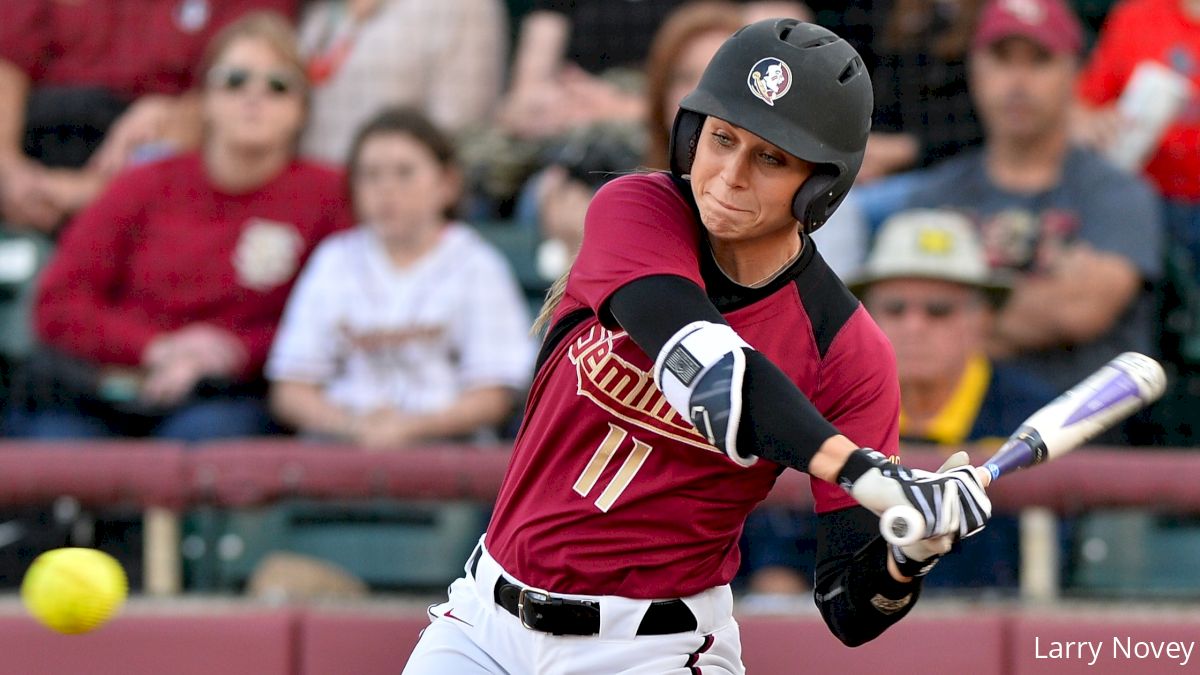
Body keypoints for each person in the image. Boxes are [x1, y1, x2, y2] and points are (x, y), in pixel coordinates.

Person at [403, 20, 992, 673]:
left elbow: (848, 607)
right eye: (721, 138)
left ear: (820, 186)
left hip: (652, 650)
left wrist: (908, 550)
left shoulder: (847, 349)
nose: (730, 175)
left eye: (771, 158)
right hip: (482, 622)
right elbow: (710, 374)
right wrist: (861, 469)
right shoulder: (638, 209)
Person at [9, 12, 352, 441]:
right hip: (114, 385)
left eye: (278, 85)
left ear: (302, 108)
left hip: (235, 392)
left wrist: (234, 352)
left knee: (208, 444)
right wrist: (156, 347)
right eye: (235, 80)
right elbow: (60, 303)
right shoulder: (144, 184)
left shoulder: (329, 195)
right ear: (203, 99)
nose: (254, 97)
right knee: (57, 446)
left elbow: (344, 312)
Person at [901, 0, 1163, 398]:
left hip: (1082, 433)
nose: (1018, 81)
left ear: (1075, 70)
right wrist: (1039, 295)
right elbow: (898, 331)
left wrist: (949, 309)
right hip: (949, 434)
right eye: (1002, 59)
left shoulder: (1118, 193)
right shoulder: (932, 194)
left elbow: (1078, 311)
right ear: (974, 68)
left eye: (1039, 59)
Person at [267, 107, 535, 447]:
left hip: (448, 454)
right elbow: (291, 388)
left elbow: (495, 394)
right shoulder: (333, 260)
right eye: (371, 175)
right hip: (342, 448)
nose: (386, 189)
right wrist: (354, 426)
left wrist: (411, 428)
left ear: (447, 184)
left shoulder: (476, 263)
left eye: (404, 173)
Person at [850, 208, 1057, 589]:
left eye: (939, 311)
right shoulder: (832, 409)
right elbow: (779, 560)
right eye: (895, 309)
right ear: (867, 318)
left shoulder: (1034, 416)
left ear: (983, 321)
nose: (914, 326)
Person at [0, 0, 297, 232]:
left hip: (142, 172)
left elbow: (235, 92)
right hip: (28, 151)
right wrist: (9, 169)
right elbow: (8, 59)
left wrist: (88, 191)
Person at [296, 0, 508, 164]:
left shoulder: (462, 6)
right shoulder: (322, 11)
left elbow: (459, 125)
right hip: (316, 196)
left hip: (396, 196)